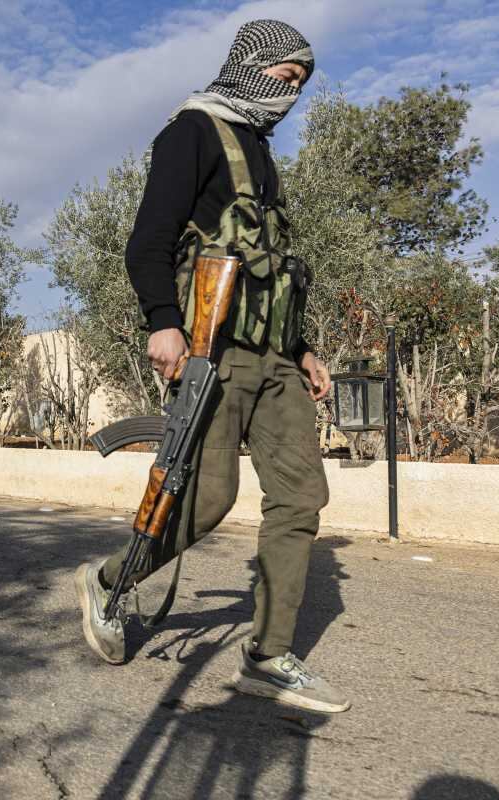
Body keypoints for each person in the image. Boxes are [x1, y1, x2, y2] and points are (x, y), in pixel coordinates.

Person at [73, 19, 350, 714]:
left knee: (301, 500)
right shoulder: (192, 133)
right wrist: (162, 322)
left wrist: (304, 347)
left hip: (275, 358)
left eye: (298, 86)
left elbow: (275, 273)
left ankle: (267, 656)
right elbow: (149, 242)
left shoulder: (261, 152)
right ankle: (111, 581)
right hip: (212, 350)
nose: (288, 95)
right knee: (211, 496)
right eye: (282, 79)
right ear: (250, 67)